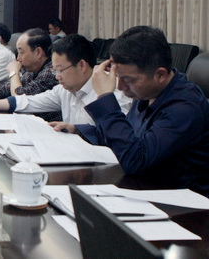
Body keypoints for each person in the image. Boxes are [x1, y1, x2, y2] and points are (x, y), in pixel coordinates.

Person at [61, 26, 209, 194]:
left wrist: (105, 98)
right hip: (146, 187)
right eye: (118, 76)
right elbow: (128, 137)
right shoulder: (148, 92)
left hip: (182, 201)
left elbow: (135, 160)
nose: (120, 86)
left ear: (160, 75)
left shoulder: (185, 107)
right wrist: (78, 130)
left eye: (128, 79)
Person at [0, 34, 131, 125]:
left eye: (60, 70)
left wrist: (78, 130)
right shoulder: (64, 89)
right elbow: (26, 101)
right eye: (55, 70)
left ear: (81, 65)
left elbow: (116, 134)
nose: (57, 76)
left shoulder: (113, 91)